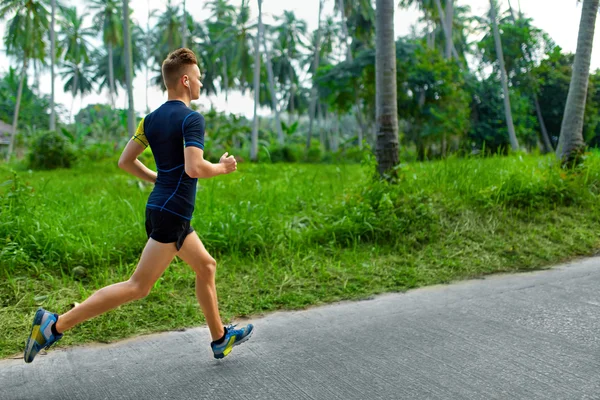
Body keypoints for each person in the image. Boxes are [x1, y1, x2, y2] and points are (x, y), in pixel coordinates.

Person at [23, 48, 254, 363]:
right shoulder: (191, 119)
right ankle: (55, 325)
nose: (201, 84)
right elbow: (194, 168)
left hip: (165, 209)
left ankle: (219, 338)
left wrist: (157, 178)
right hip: (172, 213)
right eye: (199, 78)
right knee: (138, 286)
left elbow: (125, 161)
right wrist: (222, 167)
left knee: (206, 266)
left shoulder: (151, 119)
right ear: (185, 80)